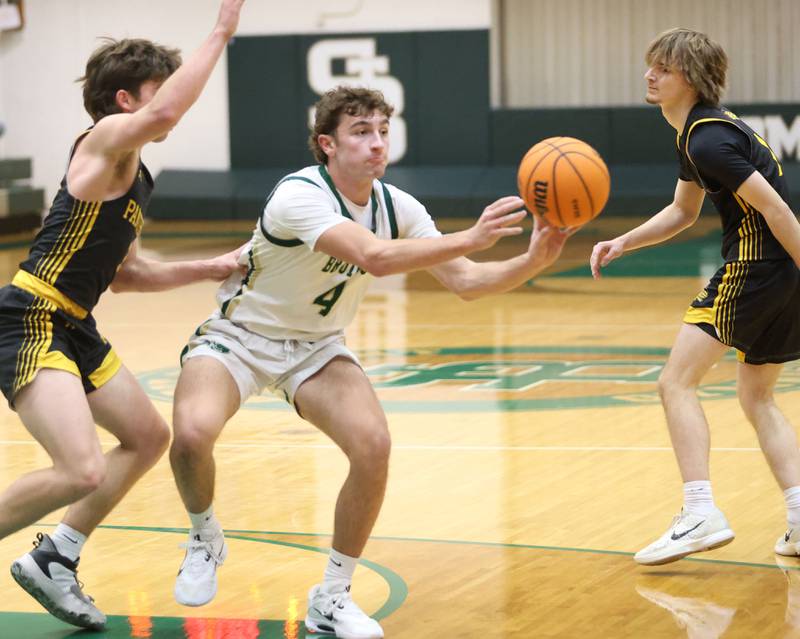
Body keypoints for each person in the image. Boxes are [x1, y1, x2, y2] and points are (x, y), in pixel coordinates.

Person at [168, 85, 571, 638]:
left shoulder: (397, 205)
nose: (377, 143)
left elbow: (468, 285)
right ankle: (204, 536)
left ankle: (331, 597)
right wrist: (470, 236)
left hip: (315, 347)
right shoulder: (298, 195)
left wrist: (532, 259)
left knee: (373, 445)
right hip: (240, 335)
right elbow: (373, 258)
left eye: (383, 130)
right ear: (326, 144)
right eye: (361, 132)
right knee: (191, 434)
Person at [0, 0, 246, 630]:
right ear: (124, 100)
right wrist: (220, 31)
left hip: (75, 324)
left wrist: (212, 265)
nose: (170, 107)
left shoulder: (134, 175)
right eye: (157, 91)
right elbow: (168, 110)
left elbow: (130, 274)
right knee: (79, 467)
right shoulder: (104, 138)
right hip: (32, 316)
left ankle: (56, 556)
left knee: (147, 437)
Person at [590, 27, 800, 566]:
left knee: (674, 382)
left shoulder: (709, 138)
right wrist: (623, 241)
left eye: (663, 67)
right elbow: (684, 212)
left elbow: (777, 211)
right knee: (757, 397)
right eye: (650, 64)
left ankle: (700, 511)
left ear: (692, 77)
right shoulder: (698, 135)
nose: (650, 75)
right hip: (779, 277)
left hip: (755, 268)